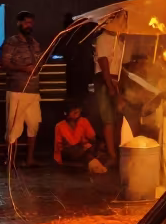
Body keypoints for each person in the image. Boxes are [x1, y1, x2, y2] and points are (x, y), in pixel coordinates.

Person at [0, 11, 42, 167]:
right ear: (18, 23)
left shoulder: (35, 43)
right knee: (13, 125)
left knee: (34, 125)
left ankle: (29, 159)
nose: (29, 25)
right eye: (26, 22)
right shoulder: (11, 42)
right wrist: (24, 69)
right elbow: (4, 64)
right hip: (17, 89)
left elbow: (38, 63)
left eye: (31, 22)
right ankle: (10, 160)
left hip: (33, 90)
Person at [95, 27, 124, 167]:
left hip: (117, 80)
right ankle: (112, 155)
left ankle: (118, 152)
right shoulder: (103, 38)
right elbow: (103, 62)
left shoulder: (120, 39)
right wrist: (110, 85)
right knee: (108, 119)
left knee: (119, 118)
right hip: (104, 80)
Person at [55, 15, 96, 100]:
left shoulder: (71, 38)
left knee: (78, 98)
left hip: (77, 73)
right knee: (76, 98)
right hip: (76, 73)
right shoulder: (73, 38)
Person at [53, 102, 98, 166]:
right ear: (67, 113)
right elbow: (60, 148)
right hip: (68, 153)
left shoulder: (84, 121)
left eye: (77, 111)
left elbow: (93, 139)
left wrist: (84, 144)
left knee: (90, 150)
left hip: (83, 150)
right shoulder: (60, 126)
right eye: (73, 111)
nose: (76, 113)